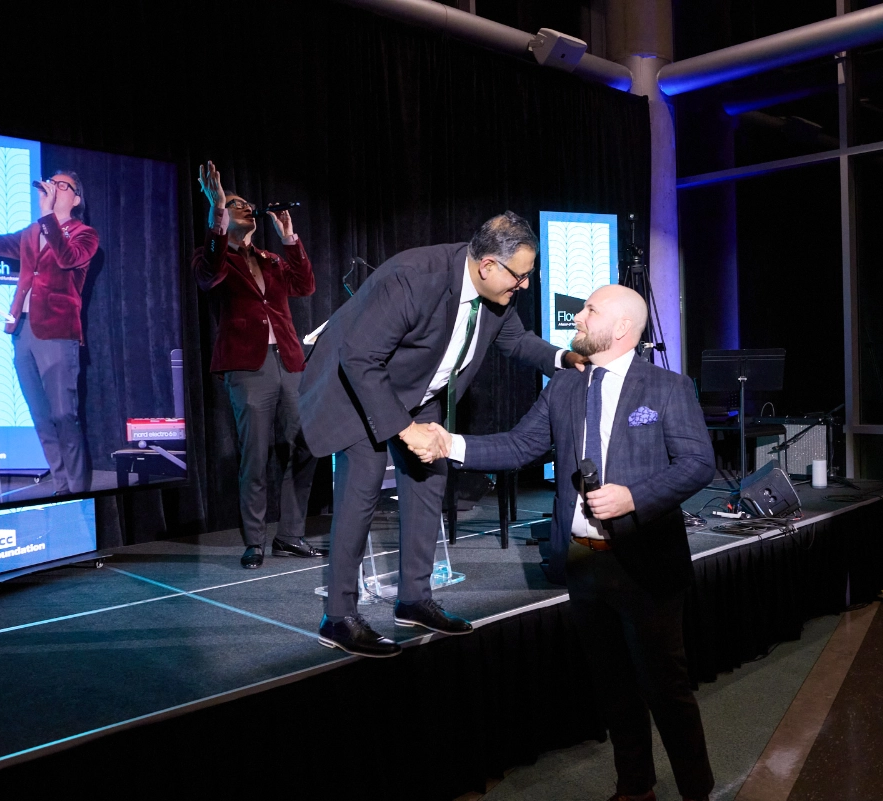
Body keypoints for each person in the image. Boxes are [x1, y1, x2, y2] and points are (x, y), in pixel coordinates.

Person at [416, 285, 716, 801]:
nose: (578, 316)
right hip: (583, 561)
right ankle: (635, 788)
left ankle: (696, 791)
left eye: (590, 309)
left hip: (647, 563)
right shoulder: (564, 385)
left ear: (622, 328)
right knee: (614, 688)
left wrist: (634, 498)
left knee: (666, 690)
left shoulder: (667, 387)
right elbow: (521, 445)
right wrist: (450, 444)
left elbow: (697, 464)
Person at [298, 211, 588, 657]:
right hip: (359, 393)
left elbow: (516, 341)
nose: (525, 285)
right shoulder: (414, 277)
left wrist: (563, 359)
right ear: (488, 265)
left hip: (420, 391)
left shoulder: (496, 293)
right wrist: (404, 429)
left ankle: (414, 601)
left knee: (428, 487)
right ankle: (338, 618)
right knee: (361, 494)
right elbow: (359, 358)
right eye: (521, 276)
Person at [192, 161, 325, 569]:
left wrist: (289, 239)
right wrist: (218, 208)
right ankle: (254, 541)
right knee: (255, 456)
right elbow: (209, 273)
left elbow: (305, 285)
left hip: (290, 362)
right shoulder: (213, 256)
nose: (247, 208)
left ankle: (290, 535)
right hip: (248, 368)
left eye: (248, 204)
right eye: (237, 204)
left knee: (306, 445)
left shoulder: (270, 258)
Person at [0, 153, 97, 495]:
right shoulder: (32, 232)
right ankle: (62, 485)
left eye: (62, 186)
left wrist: (48, 217)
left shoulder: (85, 235)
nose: (53, 188)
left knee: (64, 414)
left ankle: (79, 488)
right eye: (51, 183)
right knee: (41, 416)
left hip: (58, 332)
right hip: (23, 330)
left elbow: (67, 258)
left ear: (76, 199)